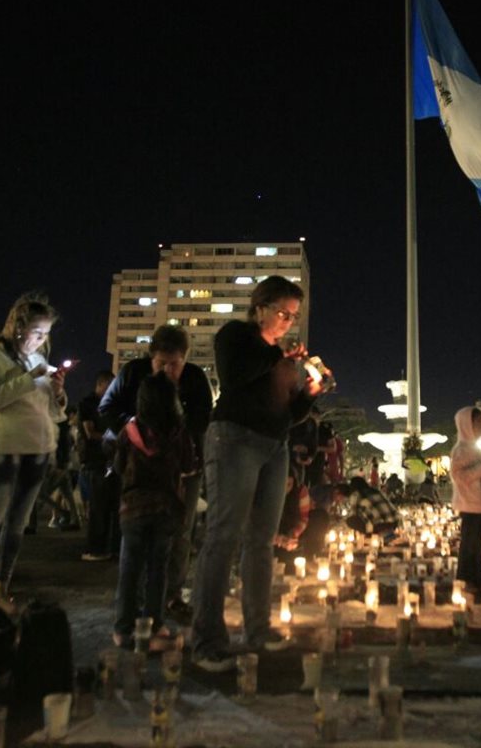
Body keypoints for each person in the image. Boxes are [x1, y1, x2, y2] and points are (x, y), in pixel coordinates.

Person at [190, 276, 326, 671]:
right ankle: (207, 638)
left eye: (293, 316)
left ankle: (258, 629)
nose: (287, 322)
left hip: (273, 445)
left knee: (261, 541)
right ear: (260, 307)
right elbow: (234, 377)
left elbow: (287, 413)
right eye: (282, 312)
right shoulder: (236, 336)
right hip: (234, 439)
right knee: (223, 535)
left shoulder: (279, 359)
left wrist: (308, 396)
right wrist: (280, 358)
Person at [99, 326, 212, 620]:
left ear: (185, 359)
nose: (168, 370)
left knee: (180, 533)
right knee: (136, 535)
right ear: (150, 358)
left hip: (181, 470)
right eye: (161, 363)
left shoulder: (196, 379)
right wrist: (135, 430)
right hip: (140, 468)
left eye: (175, 364)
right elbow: (107, 407)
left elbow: (201, 421)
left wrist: (175, 442)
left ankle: (171, 595)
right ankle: (135, 601)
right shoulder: (132, 373)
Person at [0, 292, 67, 612]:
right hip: (2, 449)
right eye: (37, 332)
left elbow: (52, 412)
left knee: (16, 524)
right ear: (17, 327)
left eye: (47, 334)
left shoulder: (38, 361)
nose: (41, 340)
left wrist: (58, 393)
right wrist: (29, 380)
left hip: (35, 451)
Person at [112, 374, 197, 647]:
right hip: (165, 509)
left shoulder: (129, 431)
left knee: (129, 568)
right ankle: (155, 623)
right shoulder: (178, 432)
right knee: (157, 569)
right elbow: (189, 466)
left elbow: (117, 465)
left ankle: (123, 628)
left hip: (133, 509)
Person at [450, 406, 481, 593]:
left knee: (478, 543)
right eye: (478, 423)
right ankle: (466, 577)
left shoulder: (475, 447)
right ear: (466, 425)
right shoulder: (461, 450)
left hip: (479, 503)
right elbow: (459, 475)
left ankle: (479, 575)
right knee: (469, 544)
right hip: (469, 503)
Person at [76, 370, 114, 537]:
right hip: (94, 458)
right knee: (97, 505)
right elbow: (90, 433)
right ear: (100, 384)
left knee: (108, 504)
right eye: (110, 386)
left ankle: (105, 542)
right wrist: (114, 438)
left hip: (109, 457)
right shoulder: (88, 403)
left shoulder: (111, 403)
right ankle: (95, 545)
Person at [334, 477, 400, 538]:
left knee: (350, 520)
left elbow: (353, 514)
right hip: (394, 523)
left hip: (378, 528)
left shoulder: (356, 495)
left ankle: (368, 536)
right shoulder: (376, 491)